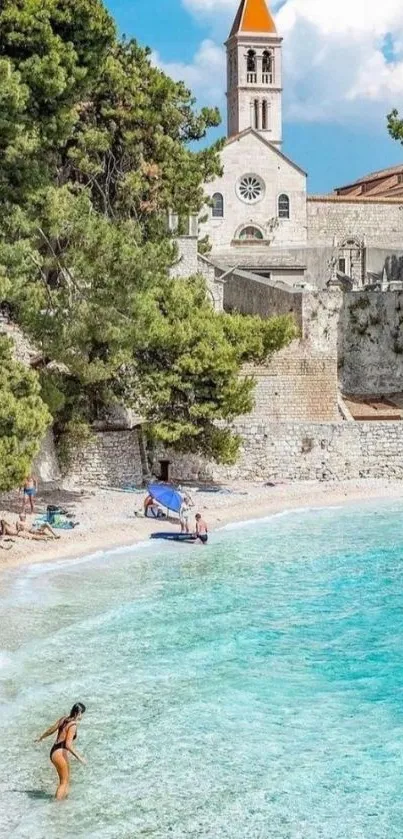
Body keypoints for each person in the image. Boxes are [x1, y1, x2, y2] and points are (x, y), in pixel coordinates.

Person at [35, 702, 87, 800]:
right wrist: (80, 757)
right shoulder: (73, 725)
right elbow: (68, 745)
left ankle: (64, 802)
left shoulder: (63, 719)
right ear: (78, 713)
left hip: (54, 752)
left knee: (65, 780)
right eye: (82, 714)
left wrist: (41, 737)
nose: (82, 716)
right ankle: (56, 805)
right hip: (60, 754)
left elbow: (51, 730)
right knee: (64, 782)